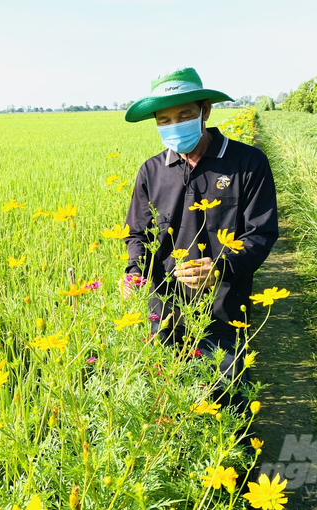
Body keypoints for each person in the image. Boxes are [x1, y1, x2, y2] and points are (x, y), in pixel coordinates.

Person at [122, 67, 278, 407]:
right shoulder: (152, 171)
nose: (173, 124)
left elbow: (261, 232)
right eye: (163, 119)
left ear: (205, 111)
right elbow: (137, 232)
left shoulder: (247, 163)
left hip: (222, 305)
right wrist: (134, 271)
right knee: (165, 395)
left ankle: (234, 455)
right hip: (163, 305)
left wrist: (221, 267)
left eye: (184, 115)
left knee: (226, 394)